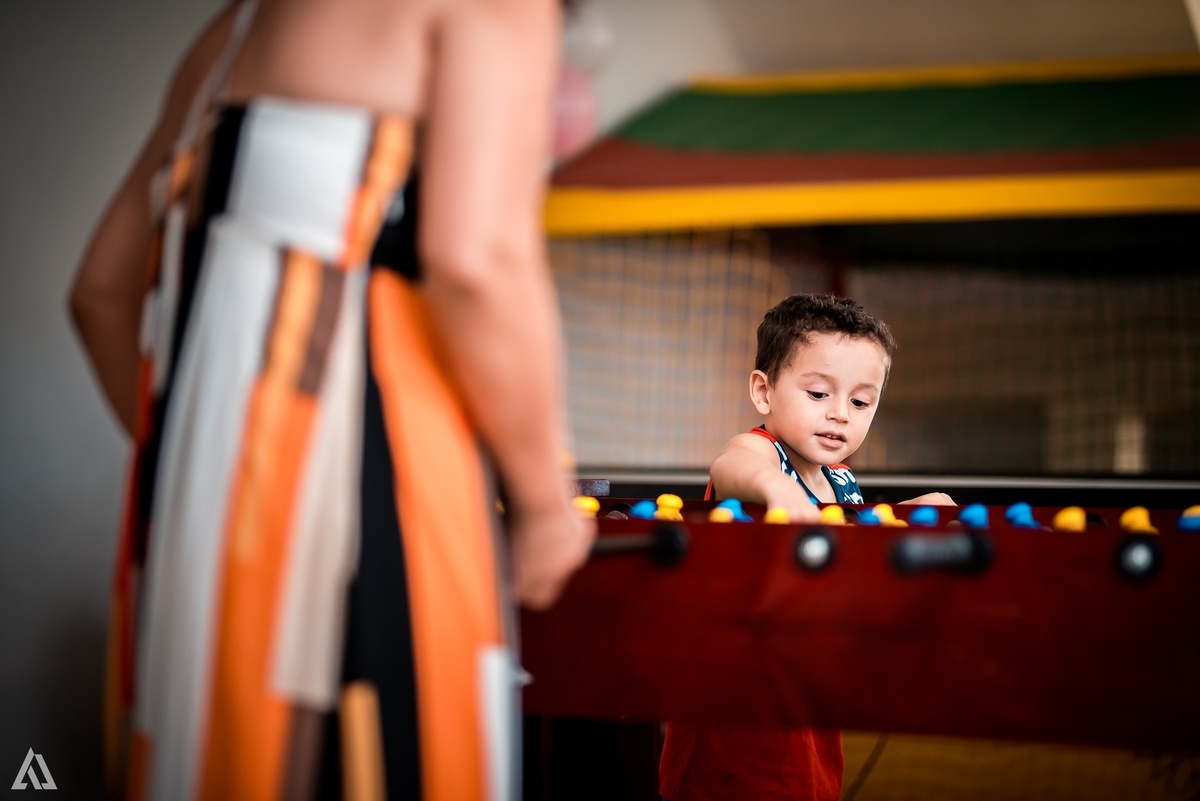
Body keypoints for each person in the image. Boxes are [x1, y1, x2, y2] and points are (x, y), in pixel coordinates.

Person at [67, 1, 594, 799]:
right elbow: (476, 260)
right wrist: (542, 501)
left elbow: (99, 292)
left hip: (196, 537)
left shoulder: (239, 24)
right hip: (383, 514)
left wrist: (201, 472)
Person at [658, 293, 953, 801]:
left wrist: (917, 508)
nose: (840, 414)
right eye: (818, 394)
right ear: (764, 391)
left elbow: (857, 540)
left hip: (809, 695)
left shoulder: (840, 481)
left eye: (861, 402)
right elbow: (730, 468)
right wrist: (774, 488)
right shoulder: (760, 452)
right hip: (736, 716)